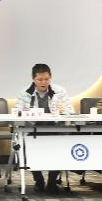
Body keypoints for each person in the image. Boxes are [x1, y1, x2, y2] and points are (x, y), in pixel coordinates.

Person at [16, 63, 67, 192]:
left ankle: (52, 181)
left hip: (55, 129)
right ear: (33, 79)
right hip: (33, 130)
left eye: (46, 79)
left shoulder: (60, 91)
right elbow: (17, 112)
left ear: (50, 78)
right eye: (40, 79)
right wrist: (23, 112)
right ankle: (38, 180)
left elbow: (71, 111)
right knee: (28, 146)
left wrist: (64, 110)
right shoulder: (25, 93)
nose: (44, 82)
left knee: (62, 145)